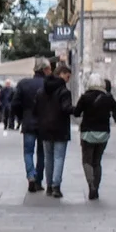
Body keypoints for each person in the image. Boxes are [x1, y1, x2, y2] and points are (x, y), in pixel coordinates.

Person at [74, 73, 116, 200]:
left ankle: (91, 186)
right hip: (103, 133)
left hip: (87, 133)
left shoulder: (85, 97)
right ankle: (97, 187)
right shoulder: (107, 97)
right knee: (97, 162)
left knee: (87, 161)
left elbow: (77, 113)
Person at [10, 58, 53, 192]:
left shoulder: (24, 84)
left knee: (28, 152)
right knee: (42, 153)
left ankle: (31, 176)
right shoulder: (49, 84)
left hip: (28, 122)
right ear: (45, 70)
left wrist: (21, 117)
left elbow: (15, 104)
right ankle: (39, 181)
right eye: (49, 69)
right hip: (44, 123)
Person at [34, 63, 74, 199]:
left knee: (48, 158)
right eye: (68, 76)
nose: (68, 80)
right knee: (58, 157)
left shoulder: (41, 91)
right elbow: (66, 109)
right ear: (61, 74)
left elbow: (36, 109)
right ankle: (56, 186)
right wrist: (77, 109)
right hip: (60, 128)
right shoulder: (64, 92)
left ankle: (49, 186)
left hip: (45, 128)